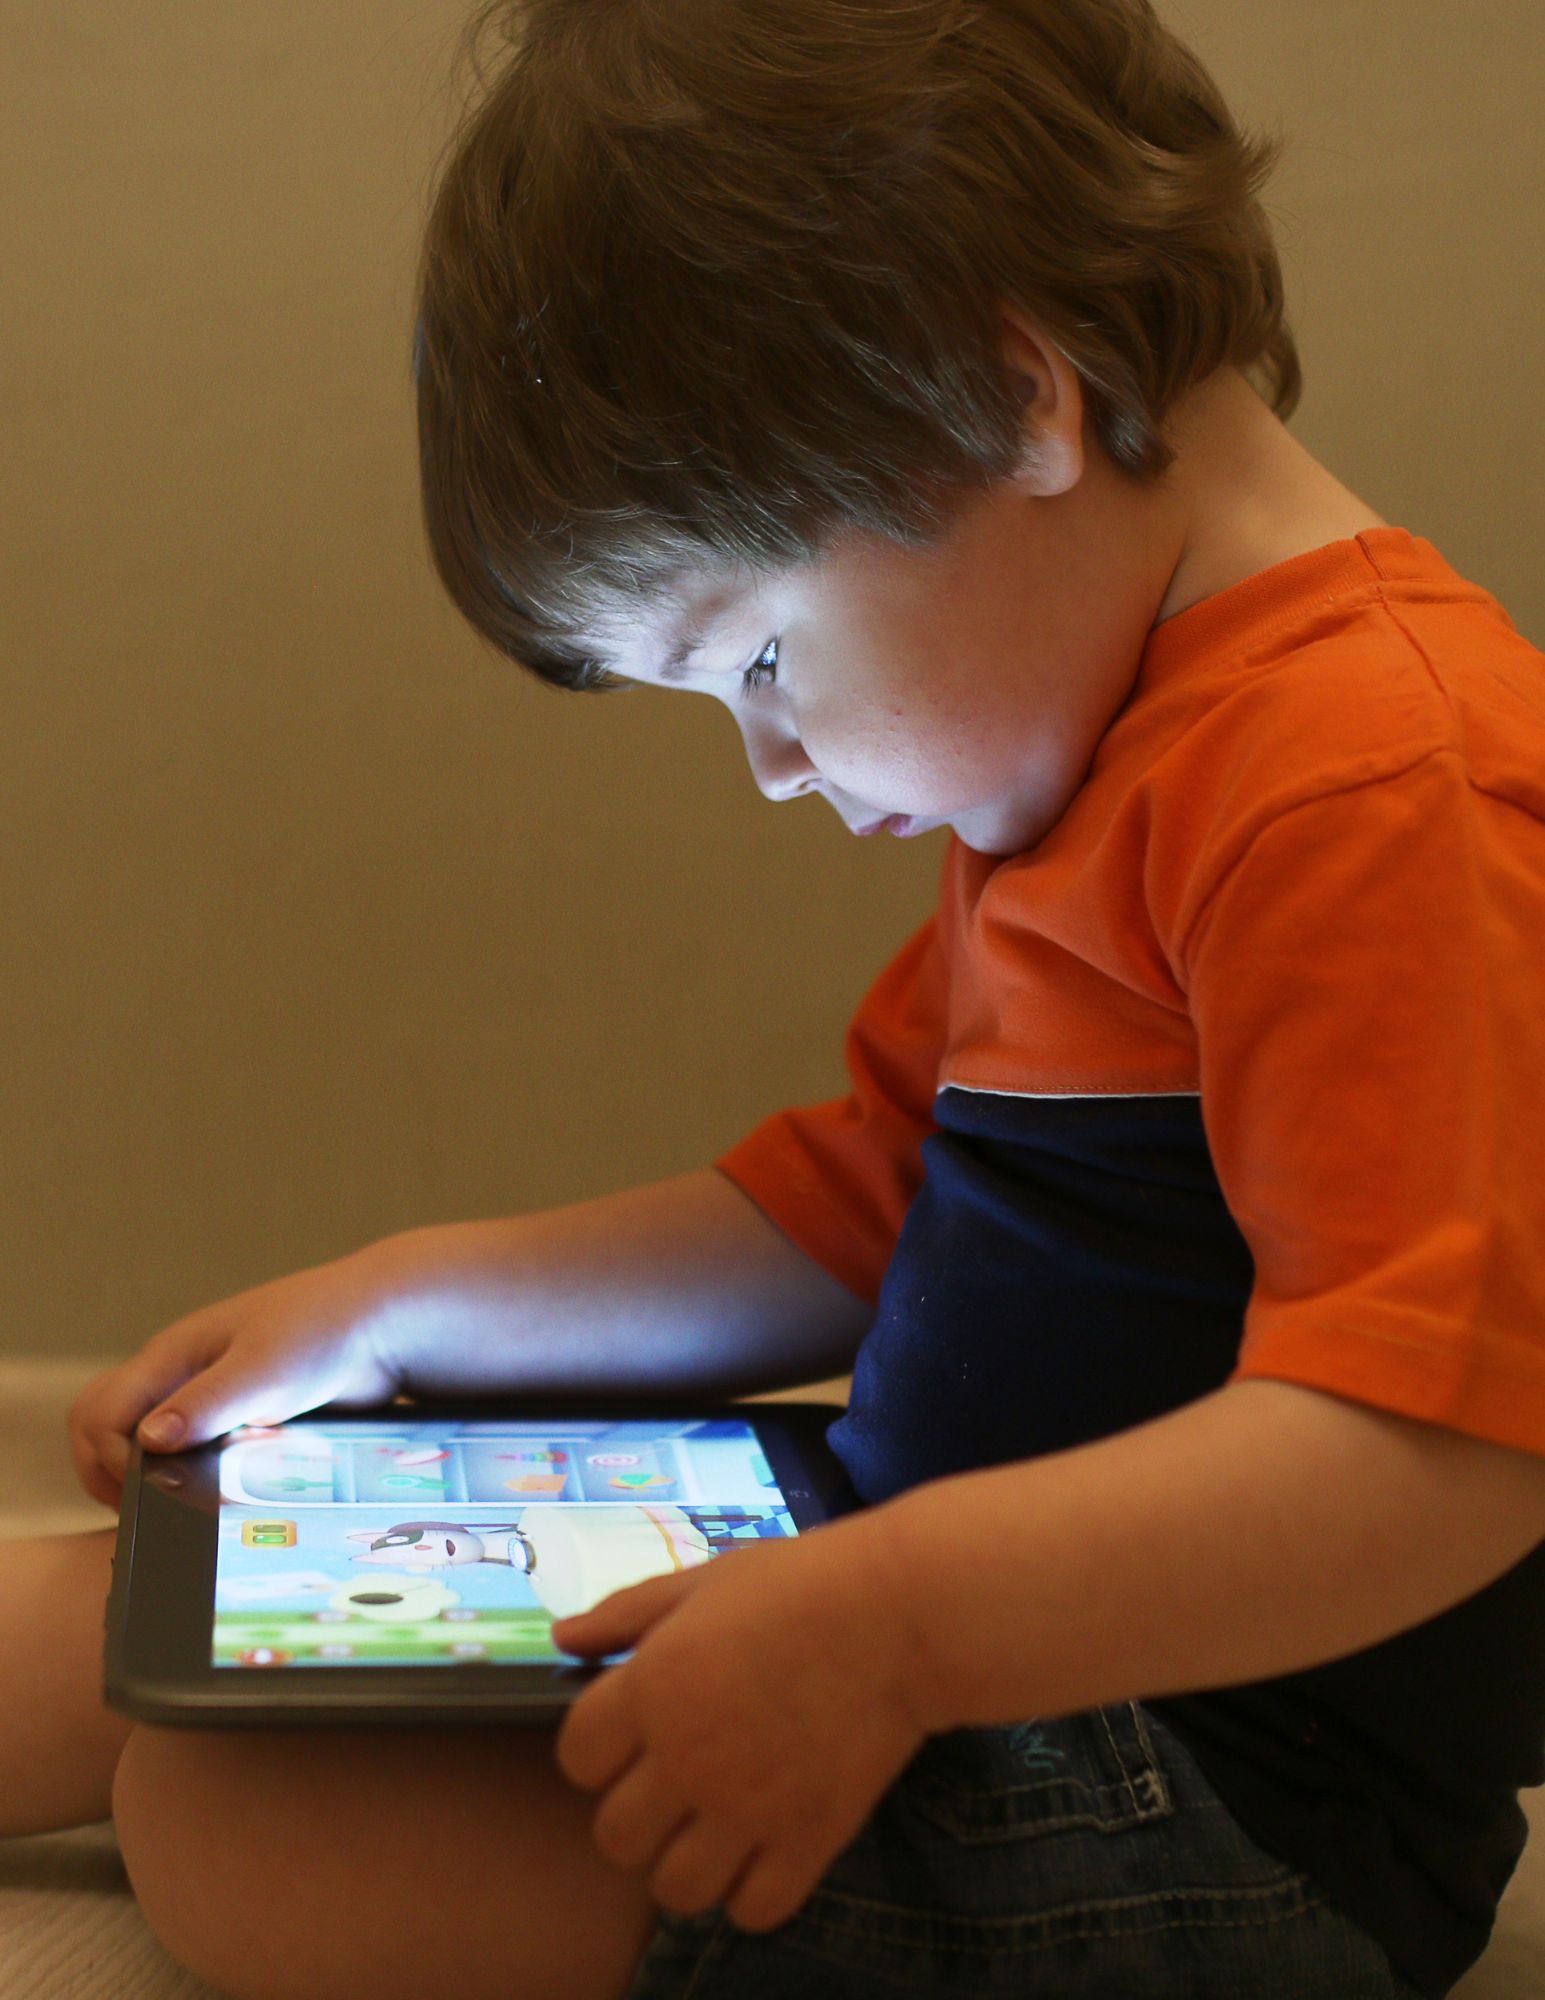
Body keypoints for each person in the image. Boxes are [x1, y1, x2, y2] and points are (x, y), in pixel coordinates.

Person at [6, 2, 1543, 1996]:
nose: (772, 764)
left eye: (749, 659)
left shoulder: (1375, 777)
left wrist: (890, 1626)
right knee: (145, 1614)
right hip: (912, 1607)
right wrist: (407, 1306)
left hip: (1209, 1788)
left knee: (254, 1811)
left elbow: (1438, 1446)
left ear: (1005, 405)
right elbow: (840, 1206)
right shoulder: (1095, 758)